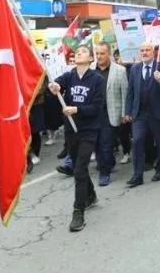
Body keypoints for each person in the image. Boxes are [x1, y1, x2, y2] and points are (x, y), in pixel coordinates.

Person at [47, 45, 106, 232]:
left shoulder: (96, 79)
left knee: (79, 168)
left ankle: (78, 211)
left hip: (89, 130)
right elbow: (57, 85)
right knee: (80, 168)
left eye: (83, 52)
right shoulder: (69, 75)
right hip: (71, 130)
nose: (78, 54)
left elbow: (97, 108)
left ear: (90, 58)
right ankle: (91, 195)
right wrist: (54, 86)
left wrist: (77, 109)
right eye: (77, 52)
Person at [124, 41, 160, 187]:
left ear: (153, 52)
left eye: (148, 50)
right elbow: (131, 91)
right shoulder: (135, 68)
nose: (145, 52)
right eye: (142, 50)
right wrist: (128, 111)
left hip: (157, 112)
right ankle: (137, 175)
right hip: (140, 113)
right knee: (137, 141)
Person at [92, 42, 129, 187]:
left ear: (108, 54)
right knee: (96, 143)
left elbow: (124, 92)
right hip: (93, 114)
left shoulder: (119, 70)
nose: (99, 56)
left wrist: (125, 113)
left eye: (102, 53)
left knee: (106, 144)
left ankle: (104, 173)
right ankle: (109, 162)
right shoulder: (90, 70)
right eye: (97, 54)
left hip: (111, 112)